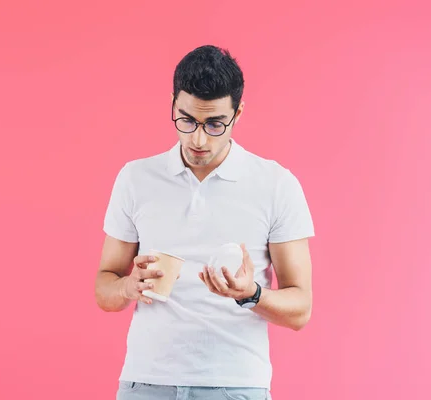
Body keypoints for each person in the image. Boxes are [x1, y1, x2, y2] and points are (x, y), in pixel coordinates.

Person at [94, 44, 315, 400]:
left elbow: (300, 310)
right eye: (187, 120)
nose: (198, 139)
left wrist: (250, 294)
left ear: (238, 113)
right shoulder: (136, 178)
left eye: (214, 124)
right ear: (172, 104)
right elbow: (105, 287)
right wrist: (128, 287)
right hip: (146, 383)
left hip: (236, 385)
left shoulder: (276, 184)